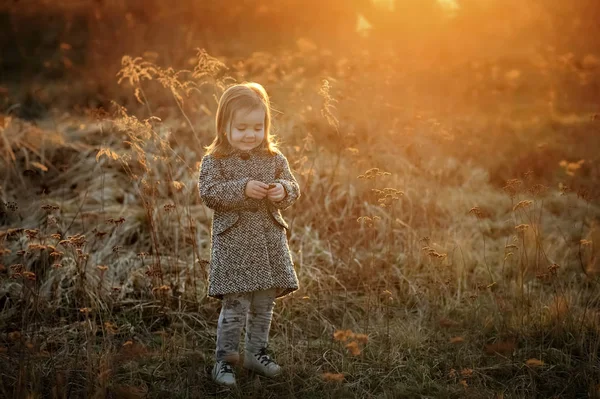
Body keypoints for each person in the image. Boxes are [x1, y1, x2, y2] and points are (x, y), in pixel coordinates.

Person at [198, 82, 300, 387]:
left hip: (269, 243)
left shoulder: (274, 159)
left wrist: (283, 190)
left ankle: (257, 353)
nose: (250, 134)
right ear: (224, 126)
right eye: (241, 127)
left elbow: (293, 187)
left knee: (263, 305)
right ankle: (224, 361)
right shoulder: (214, 161)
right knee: (235, 306)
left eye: (257, 127)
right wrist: (242, 188)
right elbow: (209, 193)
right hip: (235, 246)